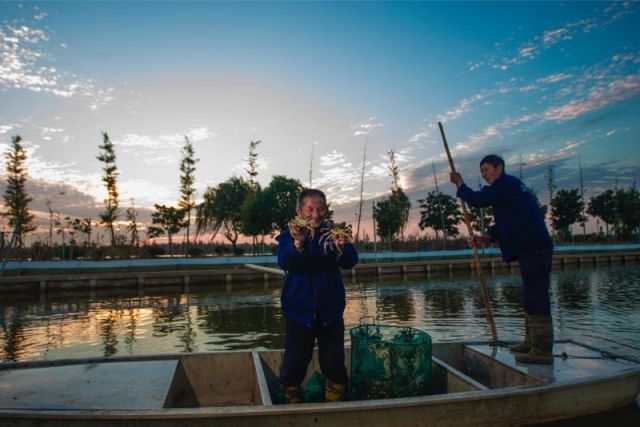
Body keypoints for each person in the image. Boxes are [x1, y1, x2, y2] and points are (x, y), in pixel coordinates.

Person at [450, 154, 554, 364]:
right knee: (530, 296)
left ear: (499, 168)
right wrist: (486, 236)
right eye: (482, 172)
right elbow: (507, 221)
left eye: (487, 170)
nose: (485, 175)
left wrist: (460, 184)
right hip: (530, 248)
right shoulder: (509, 189)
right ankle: (530, 342)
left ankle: (542, 351)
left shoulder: (506, 184)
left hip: (534, 247)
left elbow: (478, 200)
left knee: (536, 297)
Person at [276, 188, 359, 403]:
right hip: (298, 312)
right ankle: (291, 398)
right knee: (295, 362)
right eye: (310, 209)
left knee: (334, 362)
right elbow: (285, 261)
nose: (316, 214)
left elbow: (350, 261)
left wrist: (342, 248)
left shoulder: (332, 234)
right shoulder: (287, 235)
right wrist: (298, 242)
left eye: (320, 209)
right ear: (299, 211)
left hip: (330, 311)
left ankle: (335, 399)